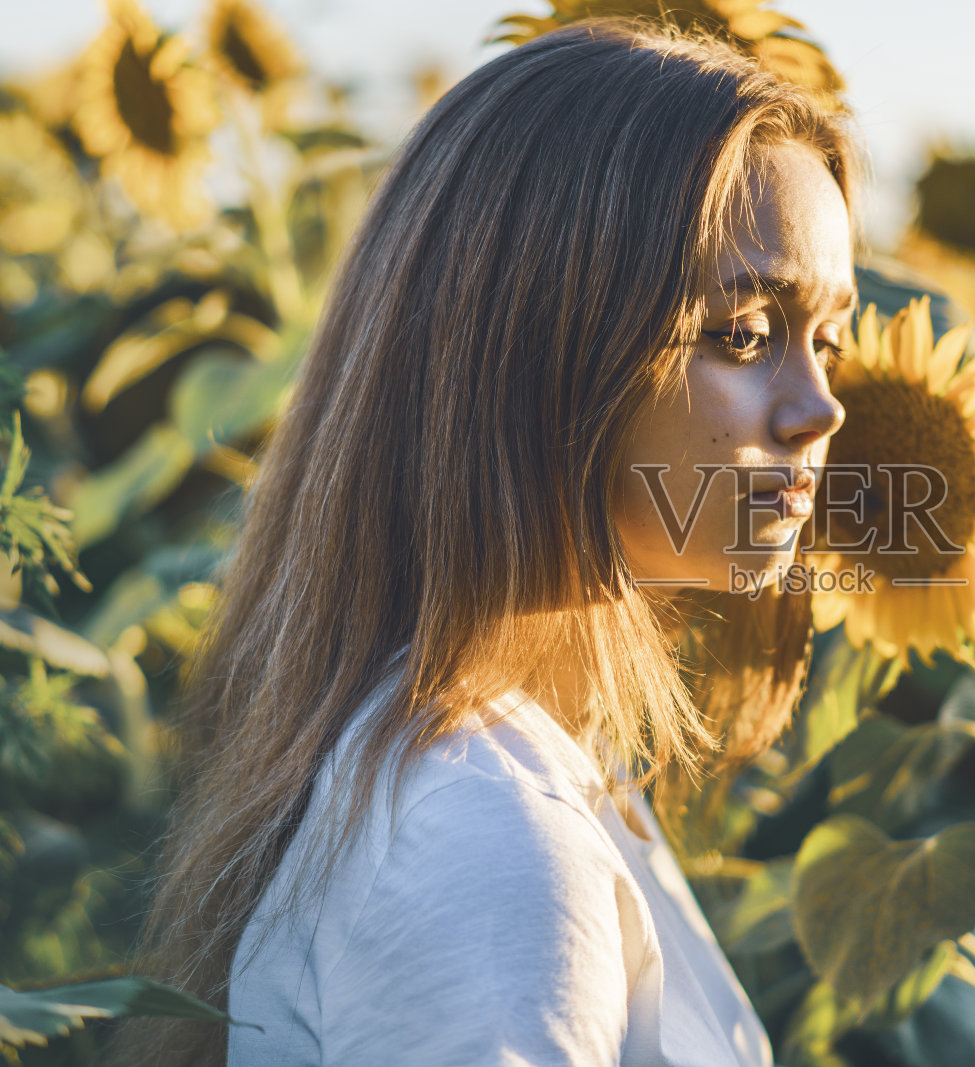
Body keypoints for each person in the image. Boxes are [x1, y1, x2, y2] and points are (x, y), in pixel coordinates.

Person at [113, 18, 856, 1066]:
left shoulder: (534, 771)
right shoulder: (485, 835)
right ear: (541, 344)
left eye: (828, 338)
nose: (819, 407)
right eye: (742, 332)